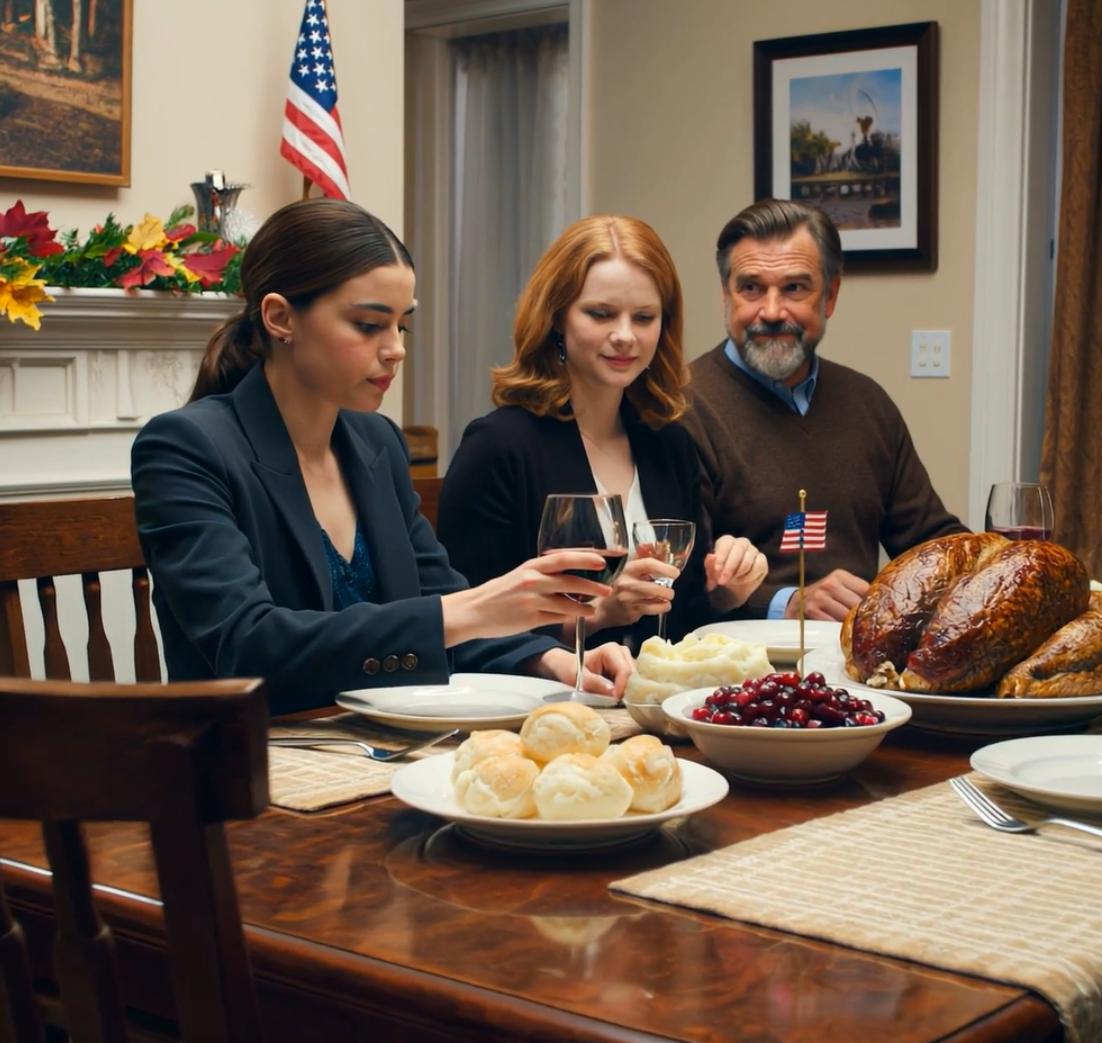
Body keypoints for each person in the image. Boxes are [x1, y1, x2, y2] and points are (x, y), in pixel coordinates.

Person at [131, 199, 635, 716]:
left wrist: (552, 661)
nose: (395, 349)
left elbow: (442, 604)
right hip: (249, 762)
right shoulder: (185, 447)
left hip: (380, 747)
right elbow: (247, 644)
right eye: (369, 326)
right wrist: (464, 611)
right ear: (281, 317)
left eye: (402, 326)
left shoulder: (378, 444)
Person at [437, 215, 768, 656]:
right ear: (556, 317)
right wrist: (599, 613)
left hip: (655, 710)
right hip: (544, 712)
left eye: (644, 317)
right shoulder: (497, 447)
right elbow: (466, 634)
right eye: (601, 313)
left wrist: (729, 591)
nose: (625, 336)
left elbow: (681, 622)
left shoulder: (669, 445)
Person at [681, 198, 967, 623]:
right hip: (738, 671)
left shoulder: (868, 403)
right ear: (726, 296)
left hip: (858, 659)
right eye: (751, 288)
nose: (772, 311)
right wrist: (788, 604)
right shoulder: (681, 407)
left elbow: (931, 541)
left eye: (795, 288)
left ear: (829, 295)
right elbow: (681, 583)